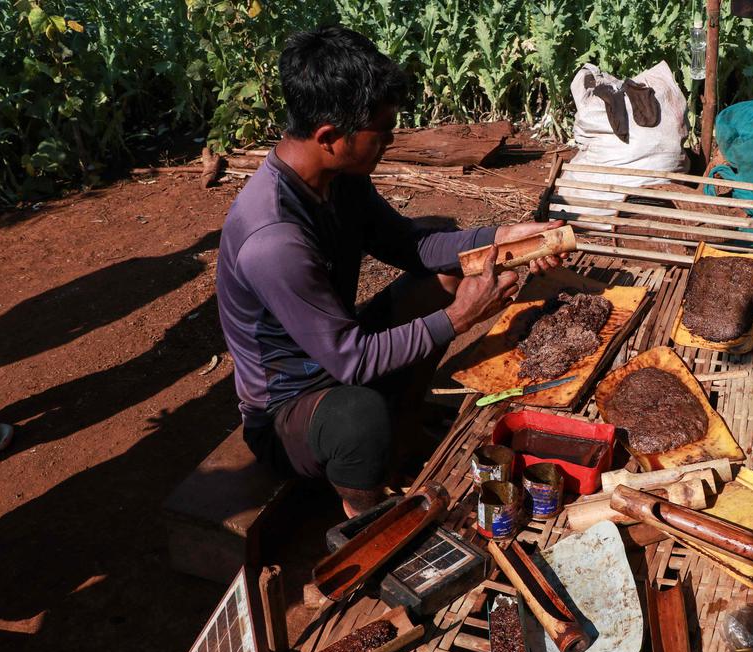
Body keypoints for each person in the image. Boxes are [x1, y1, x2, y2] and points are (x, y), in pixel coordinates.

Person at [216, 26, 566, 516]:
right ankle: (364, 509)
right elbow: (351, 363)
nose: (392, 140)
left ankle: (405, 421)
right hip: (290, 408)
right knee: (360, 416)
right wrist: (460, 318)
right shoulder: (274, 239)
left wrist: (499, 239)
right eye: (381, 132)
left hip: (337, 351)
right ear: (330, 137)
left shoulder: (337, 178)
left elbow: (410, 245)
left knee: (447, 276)